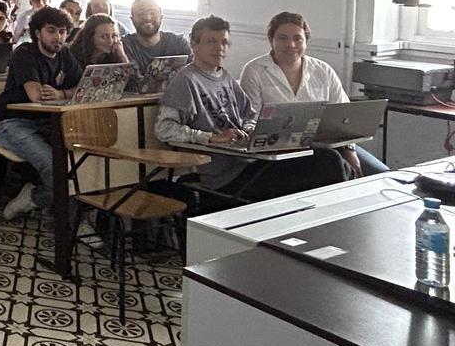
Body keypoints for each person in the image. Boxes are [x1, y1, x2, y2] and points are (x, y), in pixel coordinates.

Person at [155, 15, 351, 203]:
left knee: (331, 161)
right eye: (211, 42)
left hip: (252, 162)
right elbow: (164, 129)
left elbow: (249, 116)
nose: (219, 48)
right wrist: (211, 137)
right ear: (194, 44)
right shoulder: (186, 81)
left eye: (224, 43)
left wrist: (250, 130)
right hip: (227, 178)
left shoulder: (225, 78)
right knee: (327, 163)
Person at [239, 11, 389, 176]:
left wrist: (349, 150)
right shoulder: (255, 71)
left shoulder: (322, 70)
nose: (291, 44)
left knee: (381, 174)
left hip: (330, 144)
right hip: (280, 151)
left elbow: (345, 117)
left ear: (306, 42)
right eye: (282, 38)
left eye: (298, 38)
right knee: (335, 167)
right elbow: (248, 119)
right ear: (271, 40)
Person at [0, 7, 83, 220]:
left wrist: (61, 93)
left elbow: (84, 90)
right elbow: (37, 96)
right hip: (12, 123)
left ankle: (38, 200)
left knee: (80, 161)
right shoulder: (24, 53)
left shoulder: (65, 54)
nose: (58, 37)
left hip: (49, 123)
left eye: (62, 31)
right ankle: (59, 216)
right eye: (51, 31)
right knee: (54, 165)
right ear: (37, 33)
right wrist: (68, 94)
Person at [122, 0, 191, 73]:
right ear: (132, 19)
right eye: (140, 14)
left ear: (161, 17)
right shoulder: (123, 46)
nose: (147, 18)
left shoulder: (179, 44)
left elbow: (196, 71)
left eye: (152, 13)